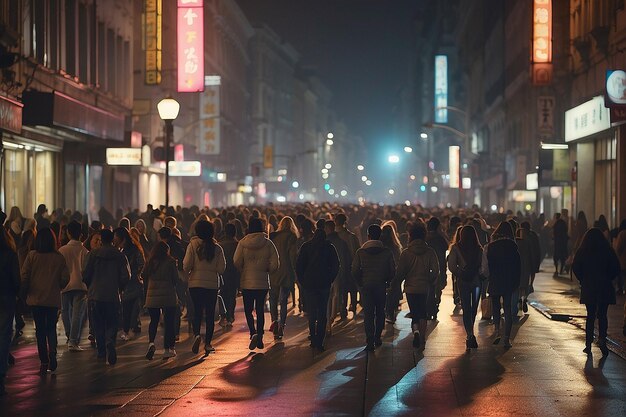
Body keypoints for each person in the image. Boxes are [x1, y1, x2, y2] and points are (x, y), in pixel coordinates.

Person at [20, 228, 69, 373]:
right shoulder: (58, 257)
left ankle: (43, 361)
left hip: (36, 299)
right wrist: (58, 286)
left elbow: (24, 276)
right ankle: (52, 353)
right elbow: (65, 278)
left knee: (40, 330)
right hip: (52, 299)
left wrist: (23, 292)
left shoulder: (32, 256)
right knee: (51, 328)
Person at [83, 229, 131, 365]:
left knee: (98, 323)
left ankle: (101, 351)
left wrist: (90, 285)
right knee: (112, 322)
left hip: (95, 295)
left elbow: (85, 273)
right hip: (112, 295)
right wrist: (120, 288)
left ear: (101, 239)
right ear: (112, 239)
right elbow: (126, 276)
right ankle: (110, 341)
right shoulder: (119, 256)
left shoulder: (93, 254)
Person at [572, 228, 621, 356]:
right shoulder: (607, 250)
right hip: (604, 285)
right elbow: (616, 267)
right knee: (603, 315)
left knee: (590, 315)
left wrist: (582, 279)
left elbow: (576, 266)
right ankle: (602, 339)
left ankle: (588, 343)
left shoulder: (583, 250)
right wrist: (608, 278)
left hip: (589, 286)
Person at [234, 217, 279, 350]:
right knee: (260, 309)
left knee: (248, 310)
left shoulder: (242, 243)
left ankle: (252, 332)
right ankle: (260, 335)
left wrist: (243, 269)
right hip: (262, 282)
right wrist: (268, 269)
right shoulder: (268, 243)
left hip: (247, 281)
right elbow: (276, 262)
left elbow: (236, 260)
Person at [393, 223, 439, 349]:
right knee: (423, 312)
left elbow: (400, 272)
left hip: (410, 287)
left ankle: (416, 331)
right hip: (424, 287)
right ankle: (423, 338)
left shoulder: (406, 253)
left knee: (414, 313)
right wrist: (430, 280)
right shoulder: (430, 252)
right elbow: (436, 270)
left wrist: (397, 283)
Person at [183, 220, 226, 355]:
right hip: (211, 285)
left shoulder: (192, 245)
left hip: (195, 285)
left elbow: (186, 266)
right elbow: (221, 269)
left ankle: (196, 335)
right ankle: (208, 343)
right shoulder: (217, 248)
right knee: (209, 314)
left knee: (197, 311)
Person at [352, 224, 396, 351]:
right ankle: (378, 337)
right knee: (380, 312)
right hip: (381, 285)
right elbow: (392, 270)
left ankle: (369, 339)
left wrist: (360, 282)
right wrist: (387, 281)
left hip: (366, 286)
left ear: (368, 236)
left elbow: (354, 270)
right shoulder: (387, 252)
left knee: (369, 314)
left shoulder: (360, 252)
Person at [296, 227, 340, 351]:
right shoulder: (329, 247)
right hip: (324, 284)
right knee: (322, 312)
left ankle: (313, 338)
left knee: (312, 312)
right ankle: (320, 340)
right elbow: (336, 265)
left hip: (309, 284)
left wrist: (302, 281)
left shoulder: (306, 246)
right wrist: (330, 278)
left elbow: (299, 265)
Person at [481, 222, 521, 348]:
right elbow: (518, 266)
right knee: (508, 309)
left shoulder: (490, 247)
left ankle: (497, 331)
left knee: (496, 308)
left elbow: (486, 266)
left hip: (495, 280)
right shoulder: (513, 246)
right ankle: (506, 339)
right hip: (509, 282)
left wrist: (487, 277)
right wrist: (516, 282)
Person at [447, 226, 482, 350]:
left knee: (466, 309)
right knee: (473, 309)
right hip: (476, 282)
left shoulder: (456, 248)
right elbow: (483, 266)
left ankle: (469, 335)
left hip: (463, 281)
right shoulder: (479, 249)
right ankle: (471, 332)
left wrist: (460, 273)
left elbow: (451, 265)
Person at [143, 241, 180, 360]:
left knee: (154, 321)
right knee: (169, 322)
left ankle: (151, 343)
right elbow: (175, 279)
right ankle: (168, 349)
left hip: (152, 296)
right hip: (168, 295)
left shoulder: (149, 262)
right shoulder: (171, 262)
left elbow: (144, 277)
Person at [58, 220, 89, 351]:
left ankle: (69, 334)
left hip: (65, 285)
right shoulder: (84, 250)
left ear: (68, 233)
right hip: (80, 285)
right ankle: (73, 341)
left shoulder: (62, 250)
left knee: (65, 311)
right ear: (80, 234)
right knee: (77, 314)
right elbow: (86, 269)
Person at [269, 216, 299, 340]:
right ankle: (282, 325)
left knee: (273, 299)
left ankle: (274, 321)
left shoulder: (274, 236)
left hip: (274, 270)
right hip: (286, 271)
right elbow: (292, 256)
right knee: (283, 300)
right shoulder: (292, 237)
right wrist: (295, 271)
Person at [114, 227, 145, 341]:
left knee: (128, 307)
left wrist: (135, 274)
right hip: (128, 283)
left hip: (130, 283)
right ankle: (128, 328)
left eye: (116, 236)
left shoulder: (131, 250)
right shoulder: (123, 249)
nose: (114, 239)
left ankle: (126, 330)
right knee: (128, 307)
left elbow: (141, 263)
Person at [0, 228, 20, 395]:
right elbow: (16, 279)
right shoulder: (10, 254)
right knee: (4, 333)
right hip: (6, 296)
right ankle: (1, 372)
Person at [324, 220, 351, 333]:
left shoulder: (326, 242)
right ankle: (333, 316)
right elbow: (346, 258)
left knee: (328, 296)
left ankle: (328, 320)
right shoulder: (342, 242)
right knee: (336, 294)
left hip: (327, 272)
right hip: (339, 272)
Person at [335, 213, 360, 318]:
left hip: (340, 266)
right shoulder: (352, 236)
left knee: (343, 289)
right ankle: (353, 306)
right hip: (352, 265)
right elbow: (357, 252)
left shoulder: (335, 237)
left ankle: (343, 309)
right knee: (353, 288)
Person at [425, 217, 449, 320]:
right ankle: (435, 306)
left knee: (428, 289)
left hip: (426, 267)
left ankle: (429, 308)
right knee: (437, 289)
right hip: (439, 266)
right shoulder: (440, 238)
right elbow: (445, 248)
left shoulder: (425, 237)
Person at [218, 223, 240, 326]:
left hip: (222, 273)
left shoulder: (220, 244)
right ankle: (230, 316)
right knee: (232, 296)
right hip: (234, 273)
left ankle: (223, 316)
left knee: (223, 295)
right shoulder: (237, 244)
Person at [381, 223, 403, 323]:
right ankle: (390, 313)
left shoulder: (379, 245)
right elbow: (398, 260)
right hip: (393, 273)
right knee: (392, 293)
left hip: (380, 273)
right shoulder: (395, 246)